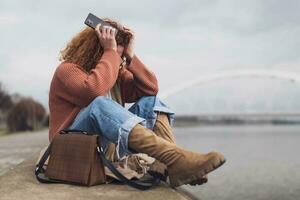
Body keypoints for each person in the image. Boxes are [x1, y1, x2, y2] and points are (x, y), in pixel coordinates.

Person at [48, 17, 226, 188]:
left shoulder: (115, 76)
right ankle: (175, 158)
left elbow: (151, 89)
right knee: (99, 104)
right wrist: (110, 52)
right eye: (114, 44)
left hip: (107, 148)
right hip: (72, 150)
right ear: (96, 45)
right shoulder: (67, 70)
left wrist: (131, 57)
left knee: (151, 102)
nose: (118, 51)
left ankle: (168, 165)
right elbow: (93, 90)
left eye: (119, 46)